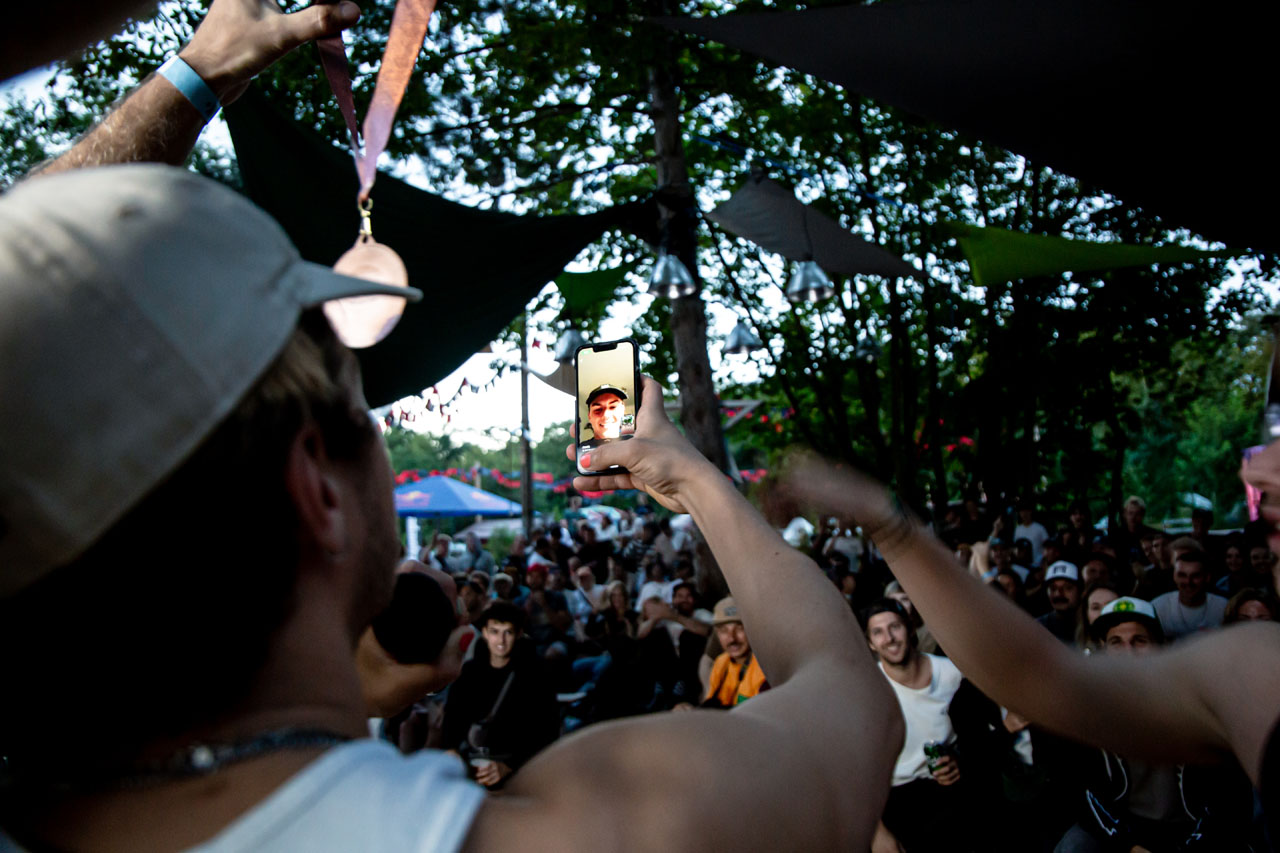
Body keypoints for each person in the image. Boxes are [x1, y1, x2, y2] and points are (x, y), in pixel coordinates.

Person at [777, 450, 1280, 845]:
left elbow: (1041, 681)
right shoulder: (1256, 659)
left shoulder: (1253, 665)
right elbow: (1047, 678)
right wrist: (890, 528)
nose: (1258, 466)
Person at [1054, 597, 1251, 852]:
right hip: (1125, 827)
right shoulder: (1089, 709)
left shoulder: (1194, 702)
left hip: (1189, 828)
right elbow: (1082, 792)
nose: (1128, 651)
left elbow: (1228, 798)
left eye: (1139, 640)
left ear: (1159, 645)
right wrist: (1129, 844)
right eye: (1116, 642)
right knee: (1073, 848)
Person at [861, 599, 972, 853]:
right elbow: (850, 766)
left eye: (895, 627)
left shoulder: (952, 673)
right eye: (878, 632)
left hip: (952, 791)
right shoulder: (867, 687)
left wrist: (960, 761)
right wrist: (876, 832)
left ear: (910, 628)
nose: (889, 638)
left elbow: (979, 736)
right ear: (869, 643)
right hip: (896, 800)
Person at [440, 602, 560, 789]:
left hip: (516, 768)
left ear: (518, 634)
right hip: (473, 763)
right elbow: (453, 716)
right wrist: (451, 749)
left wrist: (510, 766)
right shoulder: (470, 673)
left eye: (508, 632)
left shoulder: (535, 676)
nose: (501, 641)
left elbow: (546, 730)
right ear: (485, 633)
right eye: (495, 632)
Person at [701, 597, 769, 708]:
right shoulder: (721, 662)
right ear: (717, 635)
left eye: (739, 629)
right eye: (724, 631)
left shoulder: (763, 667)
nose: (732, 639)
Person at [1150, 549, 1228, 641]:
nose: (1188, 582)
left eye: (1195, 576)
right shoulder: (1158, 607)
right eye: (1182, 575)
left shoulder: (1223, 608)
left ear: (1207, 577)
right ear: (1174, 577)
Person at [1035, 561, 1082, 645]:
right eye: (1053, 588)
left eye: (1067, 588)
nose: (1058, 594)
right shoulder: (1037, 627)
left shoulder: (1090, 625)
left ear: (1080, 592)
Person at [578, 384, 629, 449]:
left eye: (613, 407)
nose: (605, 415)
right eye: (598, 409)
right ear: (589, 416)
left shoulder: (635, 444)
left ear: (623, 411)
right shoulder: (581, 450)